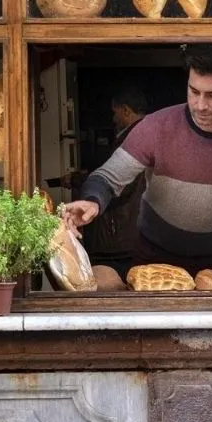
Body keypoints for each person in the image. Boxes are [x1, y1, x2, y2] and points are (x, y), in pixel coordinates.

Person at [64, 44, 212, 277]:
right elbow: (107, 177)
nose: (200, 105)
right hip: (152, 261)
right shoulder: (155, 127)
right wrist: (93, 200)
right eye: (194, 91)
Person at [77, 85, 152, 278]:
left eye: (115, 112)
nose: (113, 118)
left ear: (126, 110)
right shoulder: (147, 133)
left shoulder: (134, 138)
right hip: (132, 233)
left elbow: (120, 183)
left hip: (121, 234)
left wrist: (86, 185)